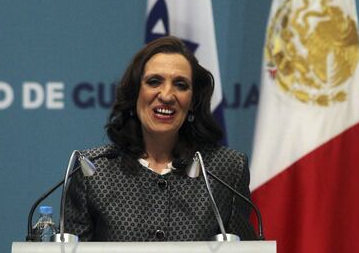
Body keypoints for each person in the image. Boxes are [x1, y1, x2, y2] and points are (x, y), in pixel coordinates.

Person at [65, 35, 256, 241]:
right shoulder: (93, 170)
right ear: (136, 93)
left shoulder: (226, 170)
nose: (166, 95)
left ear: (192, 101)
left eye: (181, 85)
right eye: (154, 81)